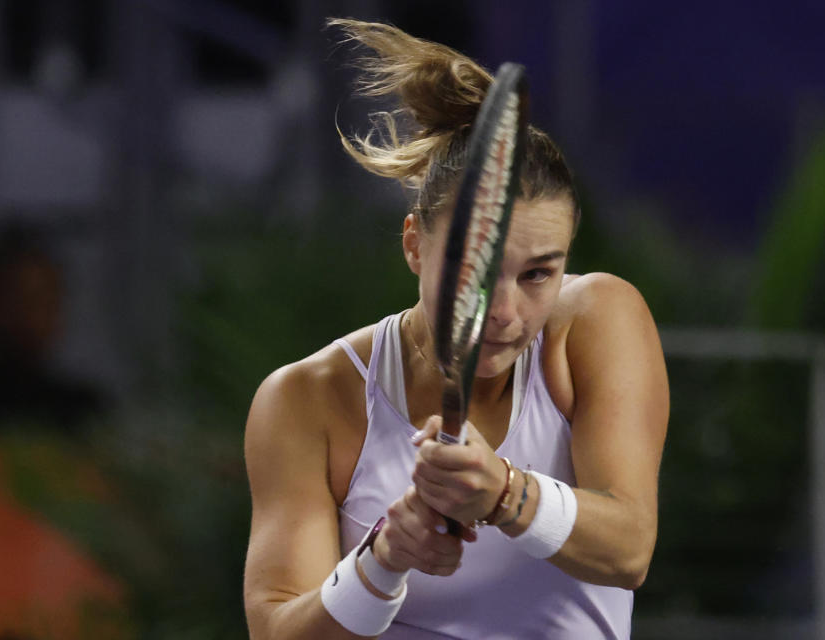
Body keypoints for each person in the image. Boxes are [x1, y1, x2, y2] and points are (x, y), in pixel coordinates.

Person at [243, 19, 668, 640]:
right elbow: (277, 631)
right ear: (415, 244)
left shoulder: (597, 320)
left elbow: (628, 550)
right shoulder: (307, 397)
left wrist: (502, 491)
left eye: (537, 275)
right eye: (476, 268)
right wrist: (382, 561)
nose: (504, 311)